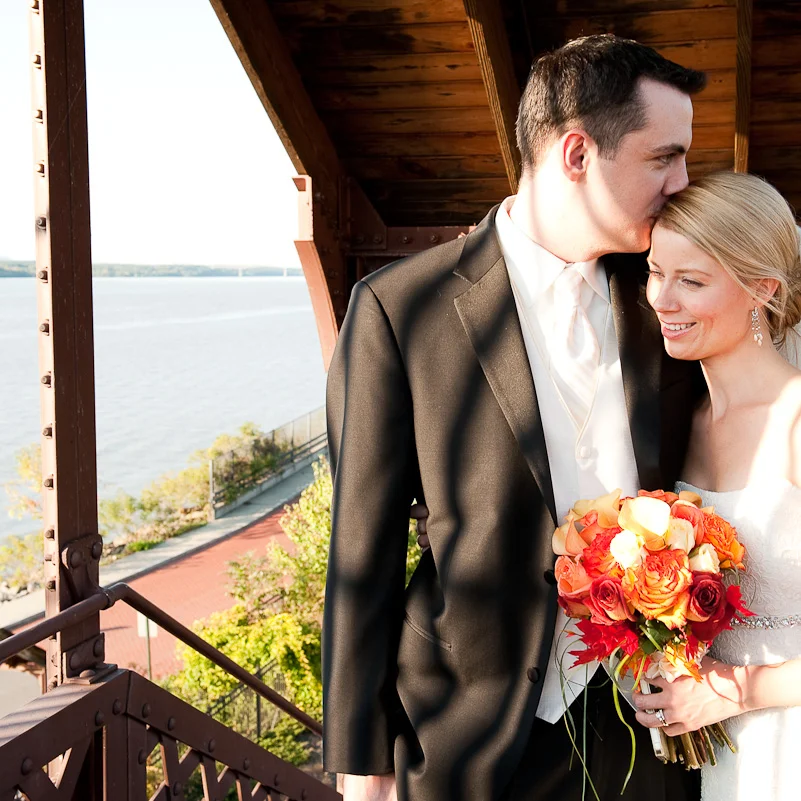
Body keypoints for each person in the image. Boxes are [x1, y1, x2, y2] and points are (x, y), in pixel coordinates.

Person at [323, 35, 706, 801]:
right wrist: (361, 772)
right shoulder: (399, 309)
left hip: (649, 721)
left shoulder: (672, 293)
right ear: (576, 154)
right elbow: (359, 556)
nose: (683, 181)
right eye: (662, 157)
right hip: (469, 735)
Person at [633, 170, 801, 801]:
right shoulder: (682, 422)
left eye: (692, 281)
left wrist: (728, 691)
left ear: (762, 288)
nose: (661, 299)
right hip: (724, 760)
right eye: (655, 271)